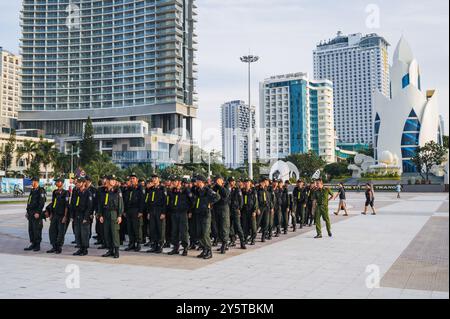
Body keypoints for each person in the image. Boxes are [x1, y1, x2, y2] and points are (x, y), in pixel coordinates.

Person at [192, 175, 220, 259]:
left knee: (205, 233)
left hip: (205, 214)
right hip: (198, 213)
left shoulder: (208, 190)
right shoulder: (197, 190)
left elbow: (217, 197)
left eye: (197, 181)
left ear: (201, 181)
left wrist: (210, 203)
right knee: (199, 233)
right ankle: (204, 249)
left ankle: (209, 251)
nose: (196, 182)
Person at [98, 175, 123, 259]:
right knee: (107, 232)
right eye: (111, 180)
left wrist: (119, 215)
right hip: (105, 213)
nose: (113, 181)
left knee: (114, 232)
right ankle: (110, 250)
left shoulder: (117, 191)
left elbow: (120, 204)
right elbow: (100, 204)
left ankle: (116, 251)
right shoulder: (103, 191)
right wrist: (100, 214)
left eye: (114, 180)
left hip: (113, 213)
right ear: (107, 181)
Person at [167, 176, 193, 256]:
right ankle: (176, 248)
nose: (173, 183)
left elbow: (192, 201)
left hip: (182, 213)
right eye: (172, 181)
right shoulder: (173, 190)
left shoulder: (185, 190)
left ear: (179, 182)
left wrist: (190, 211)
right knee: (174, 231)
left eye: (174, 181)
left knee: (183, 231)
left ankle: (185, 248)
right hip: (174, 213)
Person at [45, 177, 70, 254]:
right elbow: (53, 203)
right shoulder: (55, 192)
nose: (56, 183)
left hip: (62, 215)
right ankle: (54, 246)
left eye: (57, 182)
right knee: (52, 231)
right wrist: (51, 213)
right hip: (55, 215)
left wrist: (65, 216)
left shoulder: (66, 193)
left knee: (60, 232)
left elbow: (66, 206)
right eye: (56, 182)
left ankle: (59, 247)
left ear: (61, 183)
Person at [70, 177, 93, 256]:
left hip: (84, 215)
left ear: (83, 183)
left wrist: (86, 217)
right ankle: (80, 248)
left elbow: (89, 207)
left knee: (84, 233)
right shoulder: (76, 192)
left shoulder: (88, 193)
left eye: (79, 182)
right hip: (77, 215)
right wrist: (72, 215)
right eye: (77, 182)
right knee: (77, 232)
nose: (77, 184)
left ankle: (85, 249)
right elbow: (72, 204)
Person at [146, 174, 167, 253]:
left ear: (158, 179)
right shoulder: (151, 189)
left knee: (160, 229)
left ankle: (160, 246)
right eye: (153, 178)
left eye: (155, 178)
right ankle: (154, 245)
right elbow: (148, 201)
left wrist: (163, 212)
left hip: (159, 210)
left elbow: (165, 201)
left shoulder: (162, 188)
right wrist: (148, 212)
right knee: (152, 228)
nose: (154, 179)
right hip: (152, 210)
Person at [24, 177, 46, 252]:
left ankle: (37, 245)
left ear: (37, 182)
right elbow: (29, 201)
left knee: (37, 229)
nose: (32, 183)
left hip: (36, 213)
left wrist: (38, 212)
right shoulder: (32, 190)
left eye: (33, 181)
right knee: (31, 229)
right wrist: (27, 211)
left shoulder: (41, 190)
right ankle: (33, 243)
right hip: (30, 213)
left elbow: (42, 202)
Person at [124, 173, 145, 252]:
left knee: (137, 228)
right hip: (129, 210)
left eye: (133, 178)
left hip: (136, 210)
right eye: (131, 178)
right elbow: (125, 200)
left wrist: (140, 211)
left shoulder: (140, 188)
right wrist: (125, 211)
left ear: (136, 180)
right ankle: (131, 243)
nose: (132, 180)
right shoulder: (129, 188)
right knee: (130, 228)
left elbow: (142, 200)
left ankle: (138, 244)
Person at [212, 176, 231, 254]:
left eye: (218, 180)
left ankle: (224, 243)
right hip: (216, 208)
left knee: (224, 226)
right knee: (218, 227)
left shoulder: (226, 186)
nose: (216, 182)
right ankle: (223, 243)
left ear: (221, 180)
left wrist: (220, 186)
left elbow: (226, 194)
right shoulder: (215, 187)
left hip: (224, 208)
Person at [228, 177, 246, 250]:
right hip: (229, 210)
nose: (232, 182)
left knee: (238, 226)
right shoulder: (228, 189)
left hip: (235, 210)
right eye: (231, 181)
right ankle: (232, 240)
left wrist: (239, 208)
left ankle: (242, 242)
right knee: (229, 227)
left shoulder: (237, 190)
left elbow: (241, 200)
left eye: (233, 181)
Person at [241, 179, 258, 245]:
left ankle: (253, 238)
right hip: (244, 211)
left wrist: (254, 211)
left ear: (250, 183)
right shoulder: (242, 191)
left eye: (248, 182)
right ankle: (245, 238)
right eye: (245, 182)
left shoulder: (253, 191)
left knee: (253, 226)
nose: (246, 184)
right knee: (245, 226)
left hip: (251, 211)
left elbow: (255, 202)